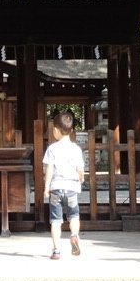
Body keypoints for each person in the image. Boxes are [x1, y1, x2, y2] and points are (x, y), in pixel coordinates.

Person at [42, 110, 85, 259]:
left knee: (55, 220)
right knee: (74, 215)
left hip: (56, 188)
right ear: (71, 130)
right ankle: (74, 235)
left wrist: (46, 187)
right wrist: (81, 178)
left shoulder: (52, 149)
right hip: (72, 188)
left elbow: (49, 169)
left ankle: (56, 251)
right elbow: (80, 170)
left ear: (55, 130)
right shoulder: (76, 149)